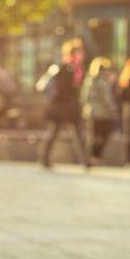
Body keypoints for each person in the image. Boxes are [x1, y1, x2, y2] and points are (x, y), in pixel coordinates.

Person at [39, 38, 89, 170]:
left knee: (79, 134)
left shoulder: (78, 69)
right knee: (54, 132)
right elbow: (62, 89)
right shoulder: (64, 68)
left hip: (71, 107)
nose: (82, 55)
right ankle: (44, 158)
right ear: (73, 54)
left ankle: (86, 161)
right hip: (62, 107)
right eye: (79, 52)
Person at [81, 56, 118, 164]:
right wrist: (113, 109)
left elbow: (84, 98)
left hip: (90, 112)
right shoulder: (102, 82)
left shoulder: (88, 80)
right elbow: (107, 98)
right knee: (103, 135)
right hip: (102, 113)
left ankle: (92, 156)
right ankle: (96, 156)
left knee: (94, 135)